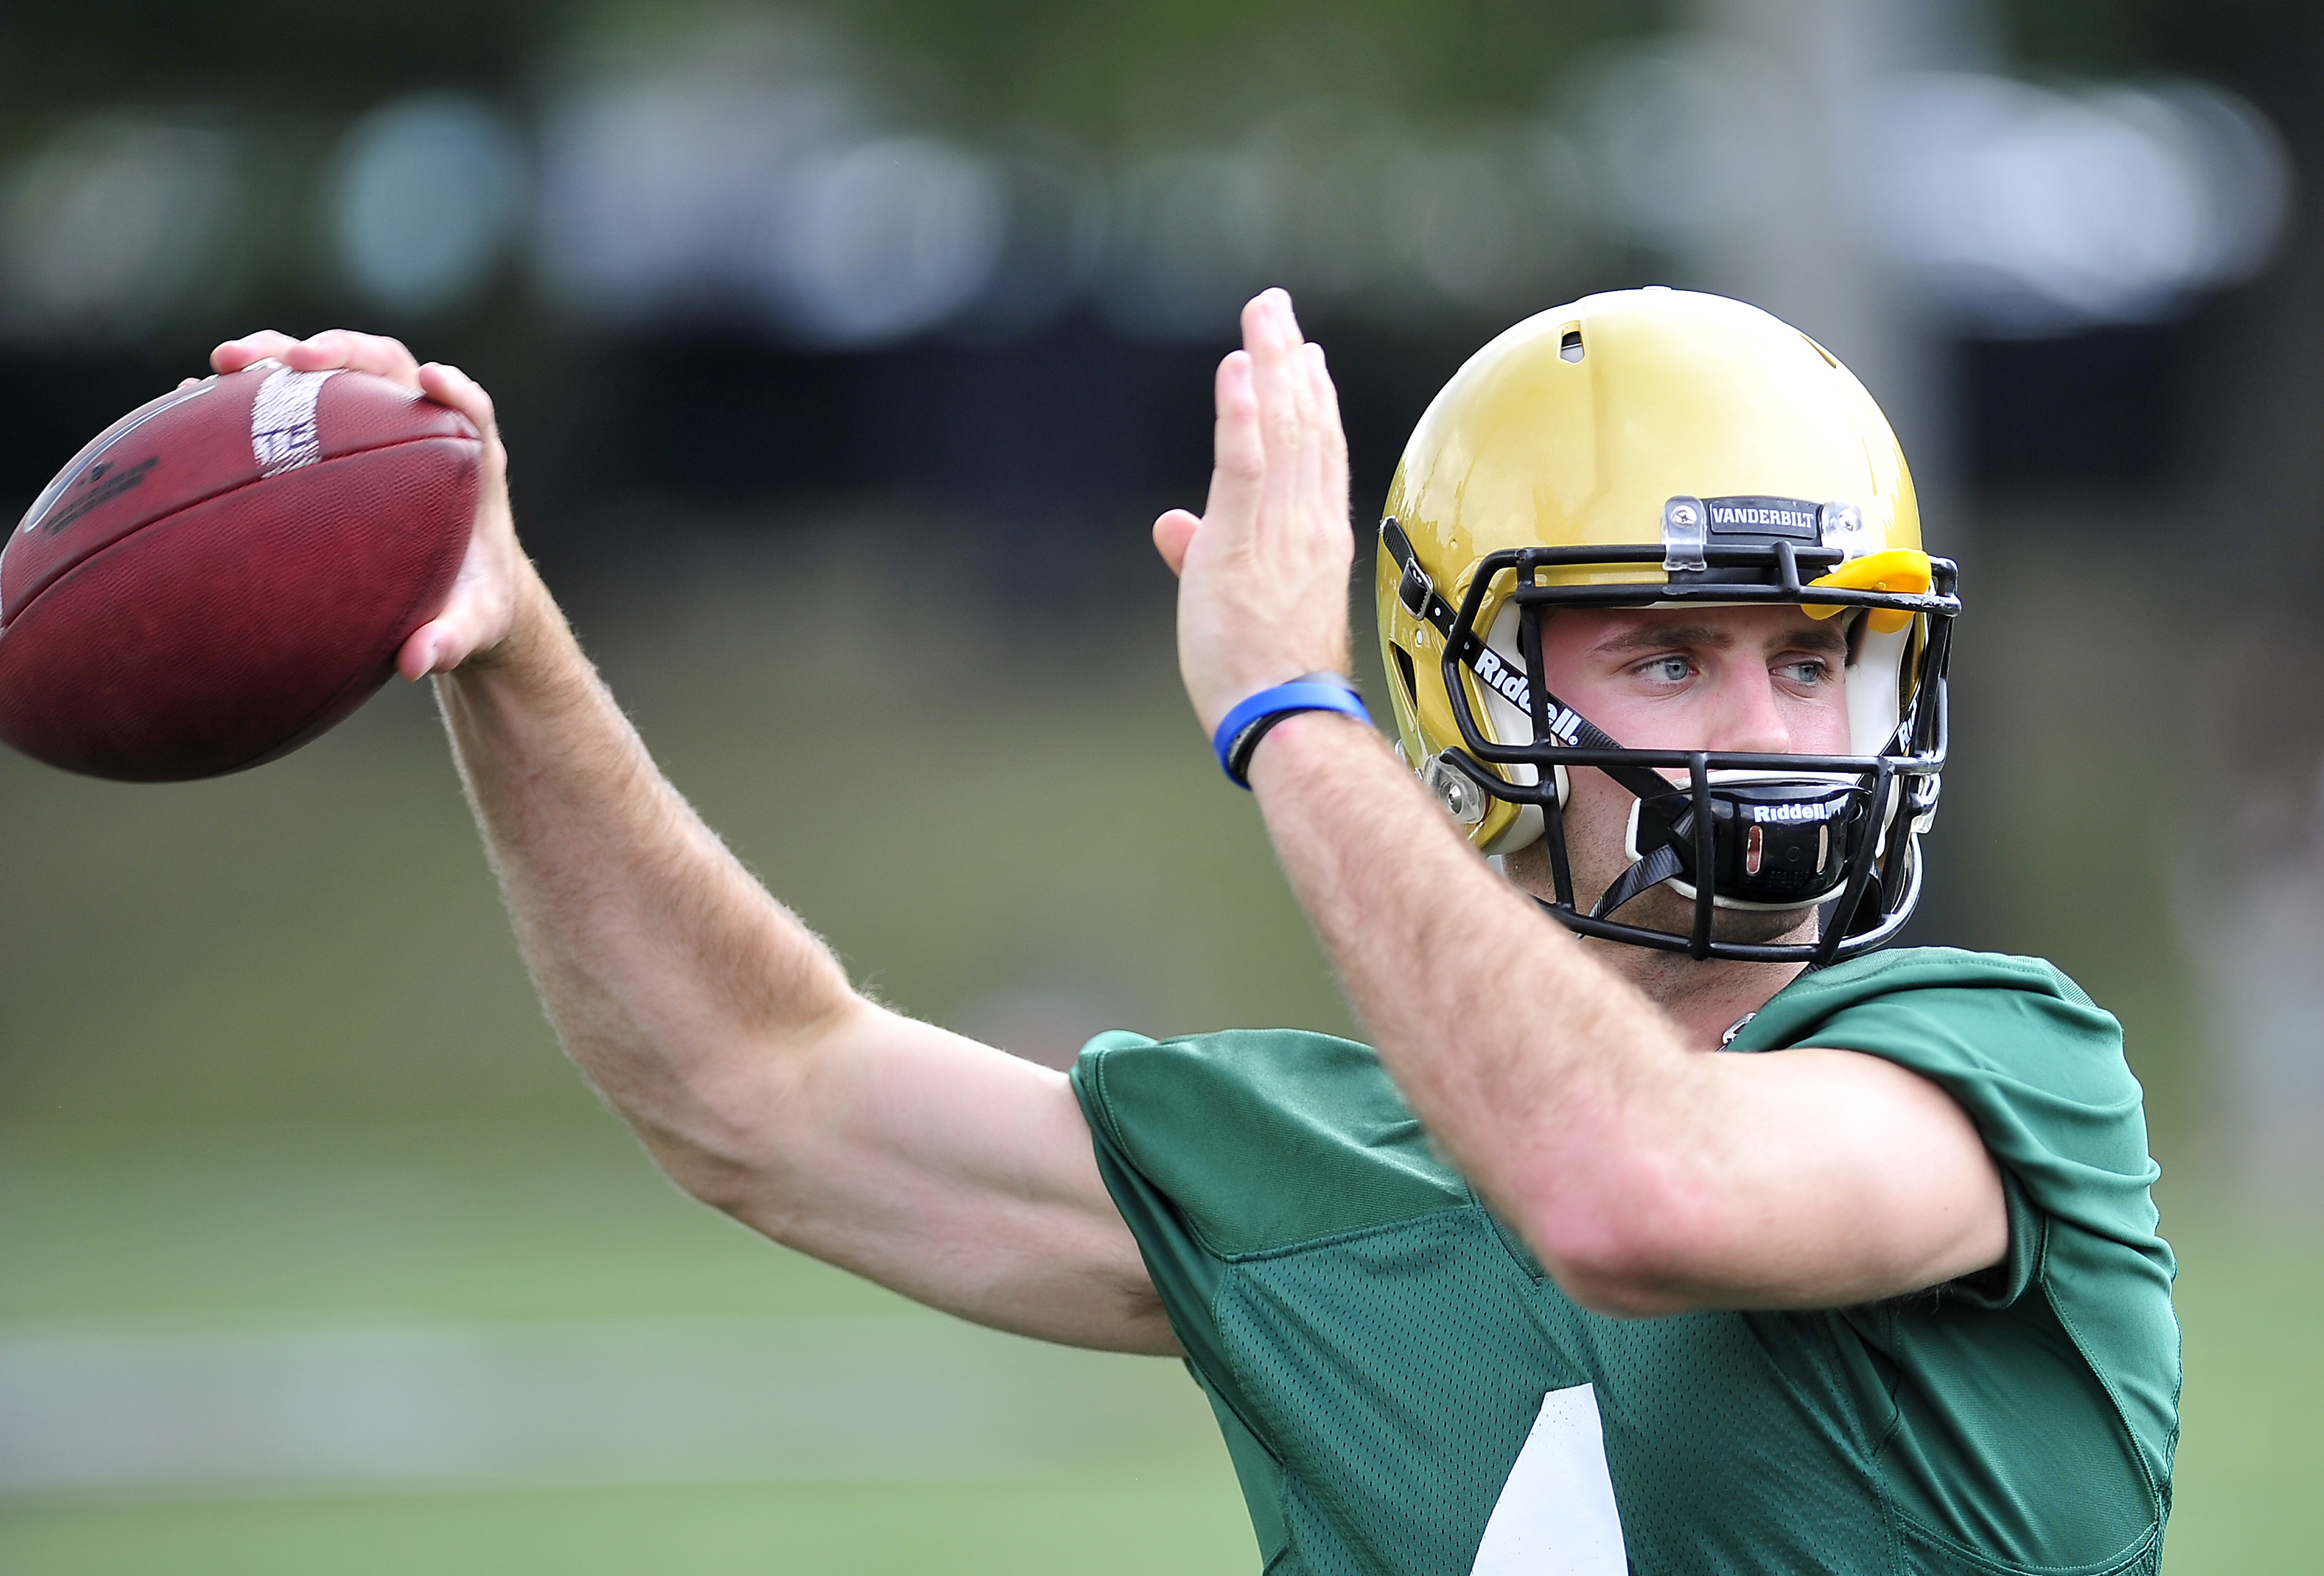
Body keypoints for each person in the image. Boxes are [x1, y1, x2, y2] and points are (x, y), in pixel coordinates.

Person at [207, 285, 2177, 1575]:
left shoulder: (1996, 1070)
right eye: (1669, 654)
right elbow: (754, 1083)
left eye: (1816, 655)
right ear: (1471, 698)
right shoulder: (1322, 1179)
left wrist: (1280, 708)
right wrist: (505, 634)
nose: (1765, 729)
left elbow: (1631, 1189)